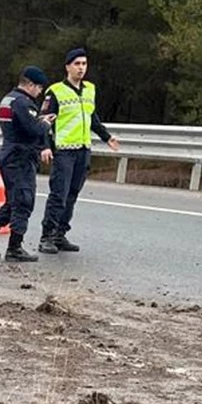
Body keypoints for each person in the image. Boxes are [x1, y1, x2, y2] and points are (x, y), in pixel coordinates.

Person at [37, 48, 121, 254]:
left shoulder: (90, 89)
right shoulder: (55, 91)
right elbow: (43, 121)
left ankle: (60, 234)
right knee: (59, 194)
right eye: (77, 64)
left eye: (84, 64)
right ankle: (46, 236)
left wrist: (106, 136)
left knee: (73, 194)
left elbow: (91, 117)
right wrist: (45, 146)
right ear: (68, 67)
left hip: (83, 149)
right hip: (64, 150)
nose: (81, 68)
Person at [0, 66, 56, 262]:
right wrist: (45, 123)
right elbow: (32, 129)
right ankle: (15, 248)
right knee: (24, 203)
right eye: (39, 88)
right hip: (20, 157)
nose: (40, 92)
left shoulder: (7, 99)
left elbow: (21, 125)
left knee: (13, 202)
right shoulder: (23, 102)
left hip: (9, 154)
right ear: (30, 84)